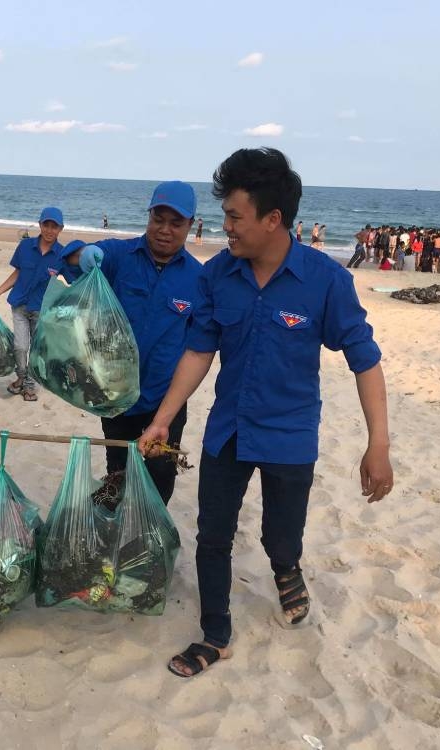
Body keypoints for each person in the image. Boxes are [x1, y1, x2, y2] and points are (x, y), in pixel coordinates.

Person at [137, 148, 392, 679]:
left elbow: (365, 361)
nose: (224, 227)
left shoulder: (325, 281)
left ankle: (286, 568)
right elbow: (199, 350)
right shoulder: (217, 276)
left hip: (290, 435)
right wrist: (164, 417)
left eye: (234, 217)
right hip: (228, 430)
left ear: (272, 219)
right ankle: (215, 633)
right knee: (213, 535)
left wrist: (379, 445)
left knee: (281, 536)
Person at [64, 181, 204, 505]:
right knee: (118, 470)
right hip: (115, 395)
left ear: (191, 225)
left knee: (159, 477)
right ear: (149, 217)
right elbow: (71, 257)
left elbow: (199, 348)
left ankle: (147, 536)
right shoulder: (118, 255)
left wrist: (166, 414)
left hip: (165, 399)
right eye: (158, 219)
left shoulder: (198, 279)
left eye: (176, 223)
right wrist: (83, 255)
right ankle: (117, 524)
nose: (164, 230)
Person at [0, 207, 68, 402]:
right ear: (40, 225)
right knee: (20, 347)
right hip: (20, 305)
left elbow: (74, 279)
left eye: (54, 226)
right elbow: (17, 273)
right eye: (46, 225)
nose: (49, 230)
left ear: (60, 229)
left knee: (37, 349)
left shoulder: (62, 255)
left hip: (41, 311)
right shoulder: (25, 246)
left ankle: (29, 385)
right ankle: (22, 378)